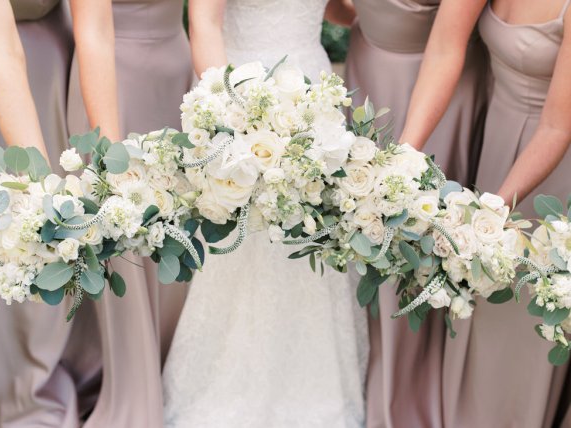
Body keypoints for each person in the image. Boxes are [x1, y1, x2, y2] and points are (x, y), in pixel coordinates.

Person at [162, 1, 368, 427]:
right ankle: (228, 386)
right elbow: (204, 23)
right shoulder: (236, 106)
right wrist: (230, 121)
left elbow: (341, 11)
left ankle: (319, 388)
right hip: (243, 91)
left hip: (314, 93)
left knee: (314, 233)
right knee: (244, 238)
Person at [401, 0, 571, 426]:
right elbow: (444, 49)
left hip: (552, 169)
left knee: (518, 313)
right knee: (475, 300)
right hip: (493, 140)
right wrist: (403, 157)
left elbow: (557, 127)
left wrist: (490, 211)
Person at [344, 1, 489, 426]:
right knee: (358, 235)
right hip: (365, 72)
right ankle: (371, 382)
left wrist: (402, 161)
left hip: (432, 92)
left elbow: (446, 47)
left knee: (417, 240)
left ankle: (408, 397)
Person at [0, 1, 99, 426]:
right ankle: (2, 389)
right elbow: (0, 49)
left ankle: (62, 367)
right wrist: (42, 188)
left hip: (60, 70)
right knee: (3, 226)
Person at [67, 0, 193, 425]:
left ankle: (173, 378)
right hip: (114, 80)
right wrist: (111, 151)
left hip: (178, 73)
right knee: (124, 243)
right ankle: (135, 398)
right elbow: (92, 31)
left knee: (179, 241)